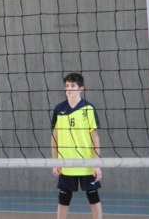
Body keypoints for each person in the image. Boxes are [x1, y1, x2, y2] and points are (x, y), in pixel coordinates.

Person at [51, 72, 103, 219]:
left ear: (81, 88)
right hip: (66, 162)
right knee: (64, 197)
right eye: (67, 85)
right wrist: (55, 162)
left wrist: (96, 164)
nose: (69, 88)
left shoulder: (89, 108)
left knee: (93, 195)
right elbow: (54, 138)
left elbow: (95, 138)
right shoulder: (59, 109)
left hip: (87, 162)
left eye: (73, 86)